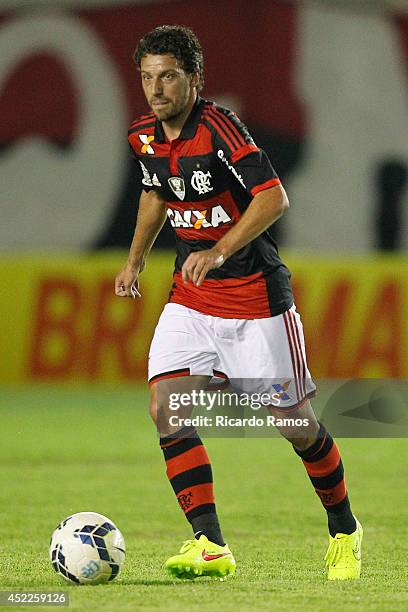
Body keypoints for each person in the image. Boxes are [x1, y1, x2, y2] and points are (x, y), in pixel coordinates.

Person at [115, 24, 363, 581]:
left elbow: (273, 197)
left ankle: (345, 528)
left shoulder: (220, 127)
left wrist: (222, 249)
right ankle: (210, 544)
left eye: (169, 77)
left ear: (195, 79)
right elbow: (156, 192)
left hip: (256, 303)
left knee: (294, 425)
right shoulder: (143, 137)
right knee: (166, 408)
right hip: (191, 299)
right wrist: (134, 260)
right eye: (148, 78)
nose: (156, 90)